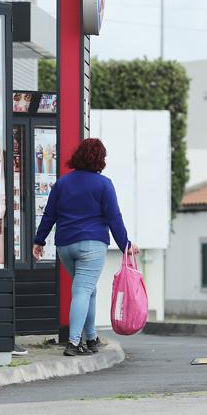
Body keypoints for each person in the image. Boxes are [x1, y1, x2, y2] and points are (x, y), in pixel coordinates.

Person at [32, 138, 138, 356]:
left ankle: (91, 338)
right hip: (92, 244)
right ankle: (73, 342)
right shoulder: (103, 184)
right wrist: (125, 244)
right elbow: (114, 218)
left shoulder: (62, 183)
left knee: (88, 289)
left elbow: (49, 214)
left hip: (65, 246)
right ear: (100, 160)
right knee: (82, 290)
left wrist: (39, 241)